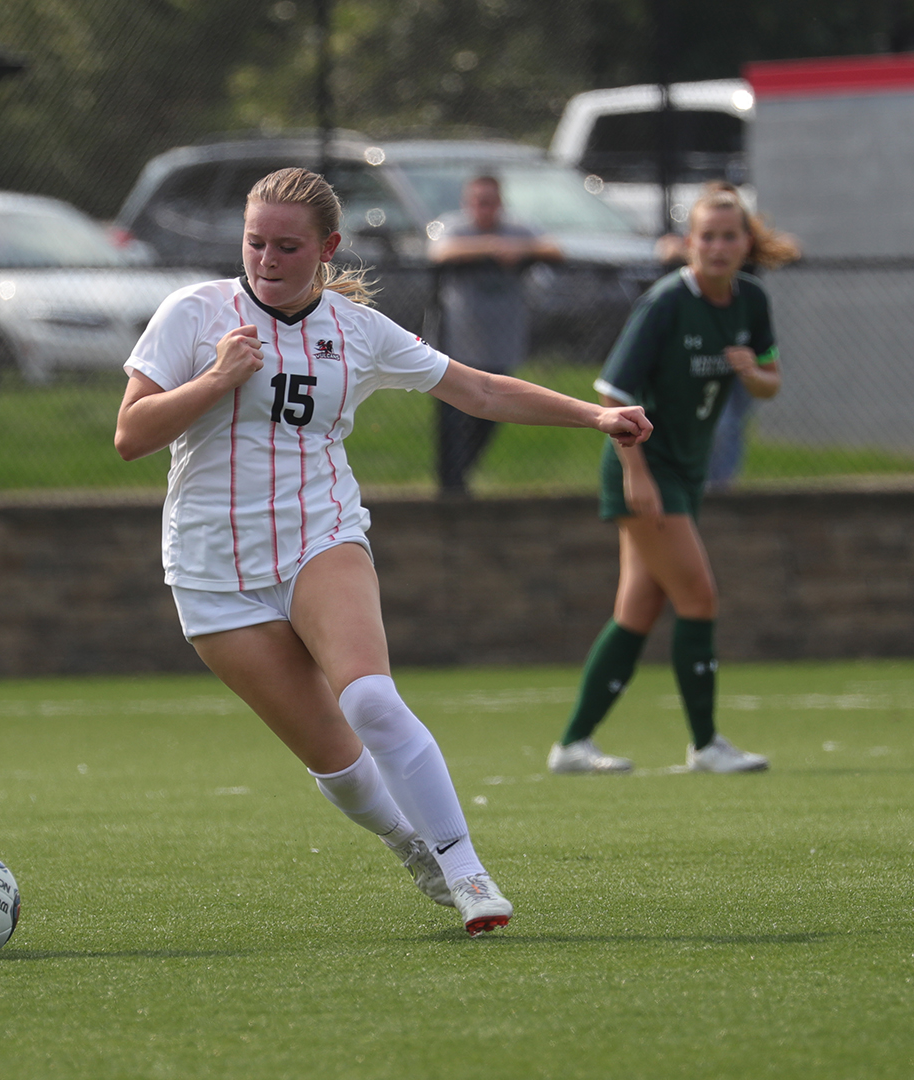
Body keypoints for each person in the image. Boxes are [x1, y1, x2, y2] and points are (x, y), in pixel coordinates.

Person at [115, 167, 651, 935]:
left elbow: (481, 391)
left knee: (369, 699)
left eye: (287, 247)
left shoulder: (357, 331)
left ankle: (468, 870)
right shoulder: (195, 313)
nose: (266, 260)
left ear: (327, 248)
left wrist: (594, 417)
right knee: (335, 758)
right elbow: (131, 435)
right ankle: (410, 845)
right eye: (255, 242)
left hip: (320, 537)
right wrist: (217, 379)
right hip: (211, 573)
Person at [549, 185, 796, 776]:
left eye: (729, 236)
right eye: (706, 236)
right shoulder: (665, 302)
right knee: (699, 596)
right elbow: (612, 393)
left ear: (746, 243)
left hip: (686, 469)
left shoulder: (751, 299)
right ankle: (706, 745)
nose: (718, 247)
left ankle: (573, 745)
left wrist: (751, 372)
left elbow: (771, 381)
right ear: (690, 244)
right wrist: (637, 474)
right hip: (647, 467)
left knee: (637, 610)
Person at [427, 173, 563, 497]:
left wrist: (520, 249)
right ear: (467, 203)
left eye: (490, 202)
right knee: (453, 421)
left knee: (489, 418)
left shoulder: (518, 230)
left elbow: (555, 249)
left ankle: (461, 479)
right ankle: (450, 487)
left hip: (501, 345)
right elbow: (438, 252)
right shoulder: (455, 227)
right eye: (478, 201)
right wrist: (490, 247)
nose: (484, 208)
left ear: (500, 203)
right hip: (458, 347)